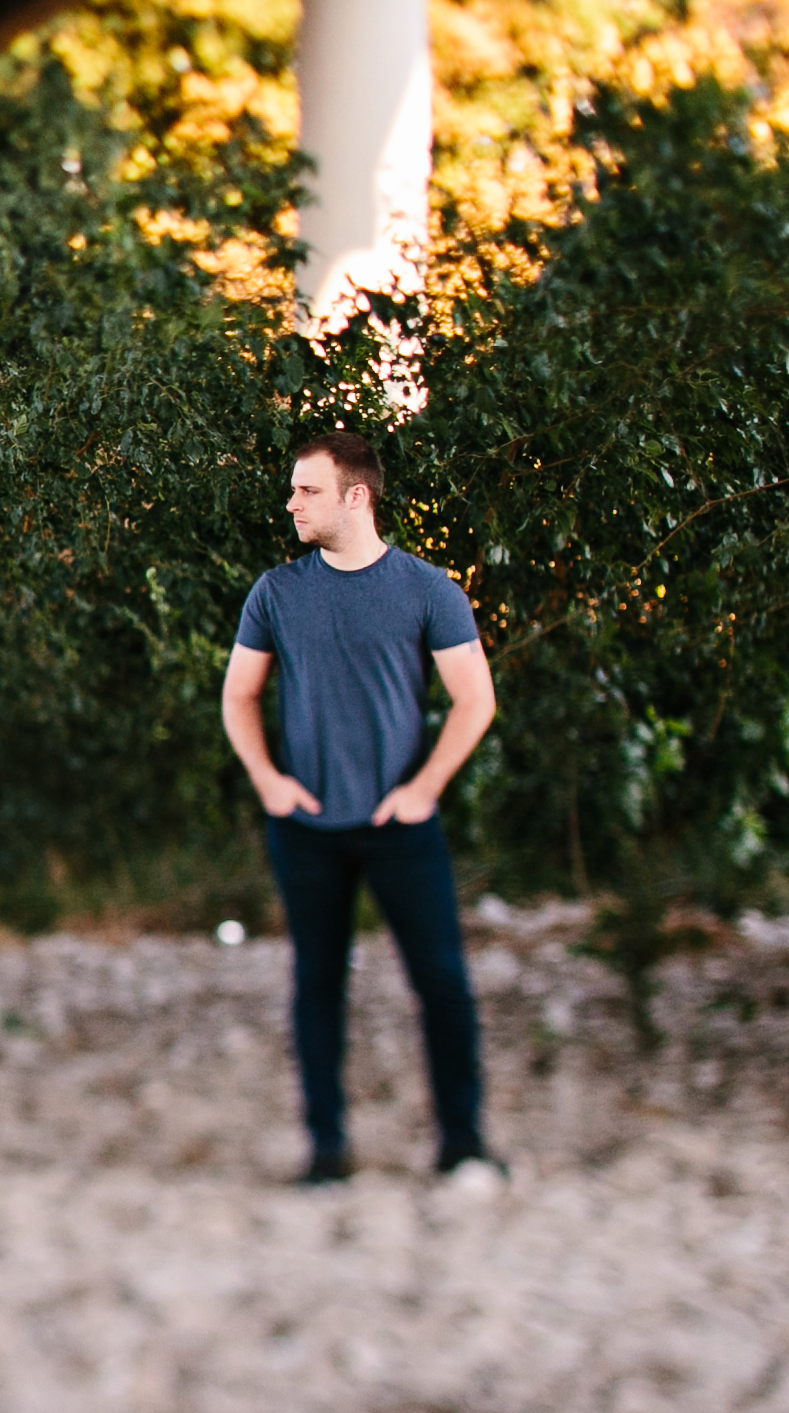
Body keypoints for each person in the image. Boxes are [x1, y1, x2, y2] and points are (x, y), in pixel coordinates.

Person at [220, 427, 501, 1185]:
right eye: (292, 489)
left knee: (441, 981)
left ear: (357, 496)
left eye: (307, 490)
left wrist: (426, 788)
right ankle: (328, 1150)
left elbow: (474, 700)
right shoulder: (276, 593)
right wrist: (269, 781)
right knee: (317, 984)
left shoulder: (427, 591)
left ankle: (464, 1146)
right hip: (306, 829)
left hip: (398, 829)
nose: (292, 503)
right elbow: (239, 696)